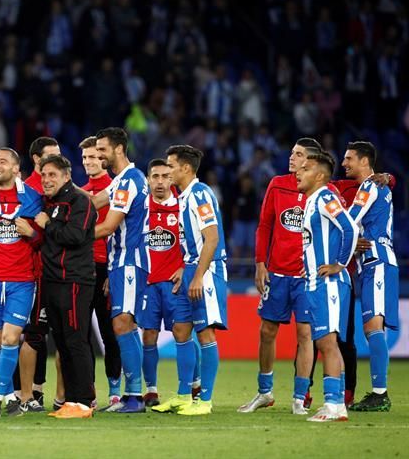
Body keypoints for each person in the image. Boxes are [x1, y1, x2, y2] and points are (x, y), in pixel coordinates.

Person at [239, 138, 323, 415]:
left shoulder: (324, 190)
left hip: (306, 277)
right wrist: (260, 263)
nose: (292, 158)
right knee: (267, 331)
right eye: (291, 153)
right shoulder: (278, 183)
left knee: (305, 334)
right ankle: (264, 392)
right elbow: (264, 225)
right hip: (276, 272)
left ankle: (299, 397)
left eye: (298, 155)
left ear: (310, 162)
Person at [153, 144, 226, 416]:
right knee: (182, 331)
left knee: (206, 333)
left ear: (185, 168)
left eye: (171, 166)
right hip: (190, 270)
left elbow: (212, 238)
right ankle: (184, 395)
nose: (167, 171)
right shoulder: (183, 197)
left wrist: (197, 276)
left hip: (205, 273)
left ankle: (204, 401)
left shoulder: (200, 194)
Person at [0, 148, 42, 417]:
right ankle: (11, 396)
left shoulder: (32, 200)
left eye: (3, 161)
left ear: (16, 170)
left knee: (11, 337)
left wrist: (33, 233)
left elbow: (44, 239)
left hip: (22, 281)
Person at [33, 154, 97, 419]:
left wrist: (48, 224)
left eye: (53, 175)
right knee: (61, 341)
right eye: (44, 175)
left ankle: (84, 402)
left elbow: (74, 236)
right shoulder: (49, 201)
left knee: (76, 340)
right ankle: (72, 399)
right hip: (52, 281)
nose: (47, 180)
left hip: (74, 281)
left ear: (66, 176)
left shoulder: (80, 201)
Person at [297, 151, 358, 422]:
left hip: (330, 283)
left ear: (319, 175)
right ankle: (336, 404)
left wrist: (340, 264)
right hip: (316, 281)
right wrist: (308, 264)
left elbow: (350, 228)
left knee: (327, 342)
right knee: (327, 342)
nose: (298, 171)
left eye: (306, 168)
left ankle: (333, 405)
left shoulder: (325, 196)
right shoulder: (311, 202)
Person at [92, 127, 148, 413]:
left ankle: (135, 395)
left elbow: (109, 226)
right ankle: (132, 394)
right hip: (119, 263)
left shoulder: (129, 182)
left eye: (101, 149)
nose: (98, 154)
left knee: (122, 324)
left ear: (118, 149)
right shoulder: (121, 181)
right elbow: (92, 200)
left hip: (129, 261)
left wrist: (70, 236)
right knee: (125, 325)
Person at [140, 158, 197, 408]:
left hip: (175, 283)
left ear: (172, 178)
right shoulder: (140, 208)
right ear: (148, 180)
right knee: (149, 335)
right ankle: (151, 390)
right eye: (155, 176)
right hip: (149, 283)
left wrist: (185, 268)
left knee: (182, 333)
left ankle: (190, 385)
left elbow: (199, 241)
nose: (160, 181)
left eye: (165, 176)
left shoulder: (183, 206)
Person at [345, 142, 398, 412]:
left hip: (376, 262)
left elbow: (349, 220)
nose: (345, 164)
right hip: (372, 264)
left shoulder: (369, 186)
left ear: (364, 161)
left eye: (349, 159)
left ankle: (380, 394)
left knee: (373, 328)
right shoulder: (382, 185)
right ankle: (379, 392)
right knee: (371, 329)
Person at [78, 136, 121, 407]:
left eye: (93, 157)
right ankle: (89, 392)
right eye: (84, 158)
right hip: (83, 267)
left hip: (108, 267)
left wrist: (113, 273)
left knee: (109, 332)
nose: (88, 162)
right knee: (83, 335)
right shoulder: (83, 189)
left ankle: (115, 391)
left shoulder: (114, 188)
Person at [18, 136, 60, 411]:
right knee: (29, 334)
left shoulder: (59, 187)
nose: (55, 158)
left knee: (59, 335)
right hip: (30, 273)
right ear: (35, 159)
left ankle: (46, 392)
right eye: (50, 155)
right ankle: (26, 392)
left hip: (57, 270)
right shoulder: (25, 191)